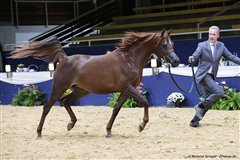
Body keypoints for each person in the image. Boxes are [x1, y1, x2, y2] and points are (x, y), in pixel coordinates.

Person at [188, 26, 240, 127]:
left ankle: (194, 121)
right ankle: (199, 106)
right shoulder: (202, 45)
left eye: (213, 34)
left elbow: (231, 57)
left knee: (209, 100)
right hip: (203, 75)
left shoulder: (221, 45)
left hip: (211, 76)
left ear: (218, 35)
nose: (211, 36)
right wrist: (192, 58)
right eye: (210, 34)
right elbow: (195, 55)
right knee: (219, 92)